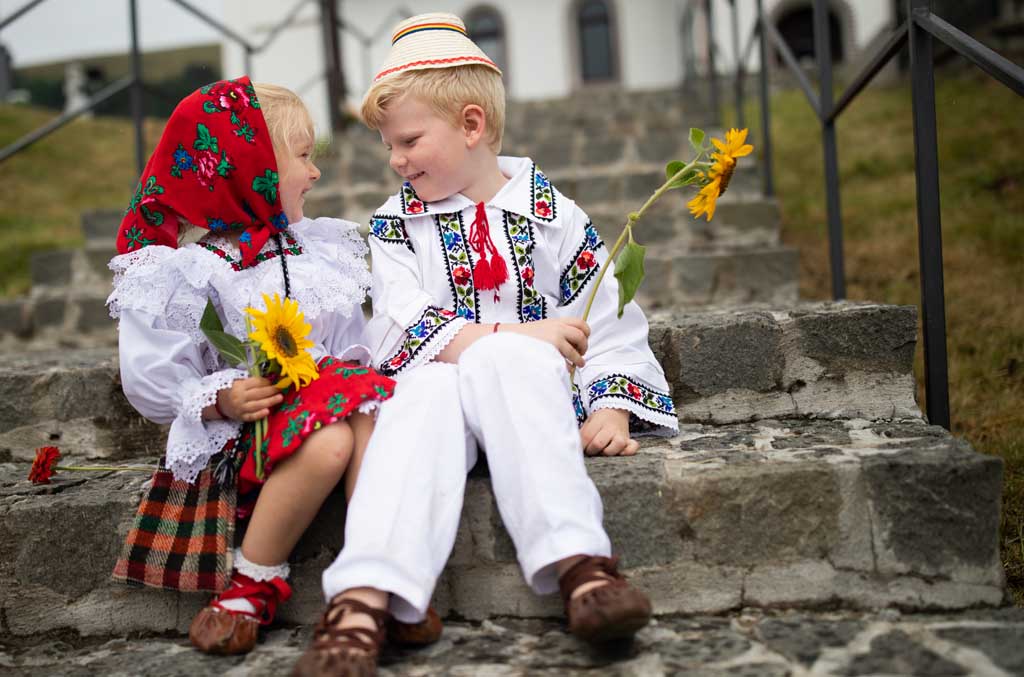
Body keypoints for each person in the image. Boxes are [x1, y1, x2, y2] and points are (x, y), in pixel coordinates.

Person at [292, 13, 679, 676]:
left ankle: (581, 564)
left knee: (510, 359)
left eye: (410, 140)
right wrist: (515, 332)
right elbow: (397, 322)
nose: (396, 159)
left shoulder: (551, 215)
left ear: (472, 126)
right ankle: (361, 598)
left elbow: (608, 315)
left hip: (527, 391)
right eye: (390, 145)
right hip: (430, 386)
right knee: (426, 392)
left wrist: (609, 403)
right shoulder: (394, 228)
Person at [107, 78, 398, 656]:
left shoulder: (317, 252)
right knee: (330, 442)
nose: (315, 173)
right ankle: (254, 577)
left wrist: (331, 379)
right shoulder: (189, 272)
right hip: (247, 433)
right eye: (303, 157)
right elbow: (148, 379)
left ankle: (376, 574)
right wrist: (221, 397)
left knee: (366, 412)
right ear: (249, 167)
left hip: (328, 410)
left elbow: (353, 349)